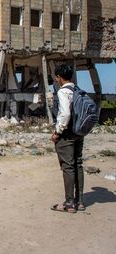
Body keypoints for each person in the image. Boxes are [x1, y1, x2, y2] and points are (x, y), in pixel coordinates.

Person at [50, 64, 85, 213]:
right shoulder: (77, 90)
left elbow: (65, 114)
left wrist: (57, 132)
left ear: (58, 77)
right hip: (79, 132)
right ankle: (80, 201)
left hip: (67, 134)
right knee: (78, 164)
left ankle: (69, 203)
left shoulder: (63, 91)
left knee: (67, 167)